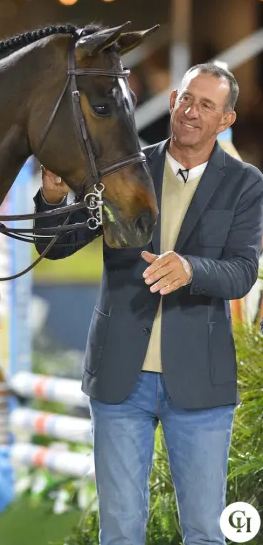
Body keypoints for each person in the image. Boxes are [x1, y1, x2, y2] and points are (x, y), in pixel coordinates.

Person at [34, 63, 263, 545]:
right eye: (187, 99)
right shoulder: (125, 170)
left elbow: (243, 272)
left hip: (200, 382)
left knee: (204, 532)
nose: (191, 112)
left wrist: (191, 269)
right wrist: (53, 200)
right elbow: (57, 245)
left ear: (226, 120)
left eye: (207, 105)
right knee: (120, 532)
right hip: (120, 378)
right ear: (174, 99)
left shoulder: (246, 184)